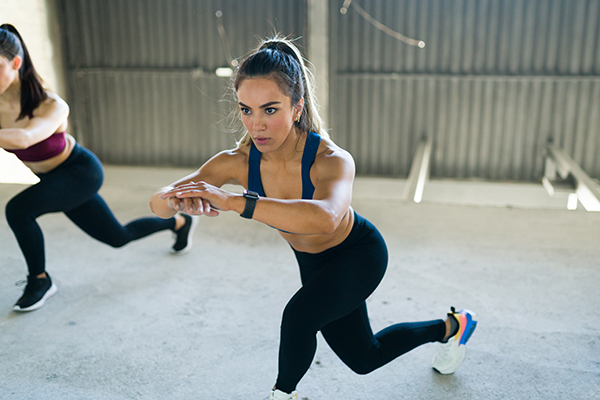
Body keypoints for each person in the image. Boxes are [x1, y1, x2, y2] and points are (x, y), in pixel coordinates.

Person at [150, 36, 477, 400]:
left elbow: (325, 218)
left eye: (270, 110)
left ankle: (281, 394)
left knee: (298, 317)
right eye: (246, 110)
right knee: (365, 358)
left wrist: (234, 202)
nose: (256, 125)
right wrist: (178, 202)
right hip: (313, 263)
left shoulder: (331, 159)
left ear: (296, 106)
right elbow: (157, 204)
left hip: (358, 254)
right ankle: (452, 326)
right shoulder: (237, 161)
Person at [0, 24, 199, 312]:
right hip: (52, 180)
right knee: (117, 237)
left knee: (18, 210)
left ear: (16, 63)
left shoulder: (50, 104)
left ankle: (40, 280)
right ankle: (178, 223)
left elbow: (24, 138)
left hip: (79, 172)